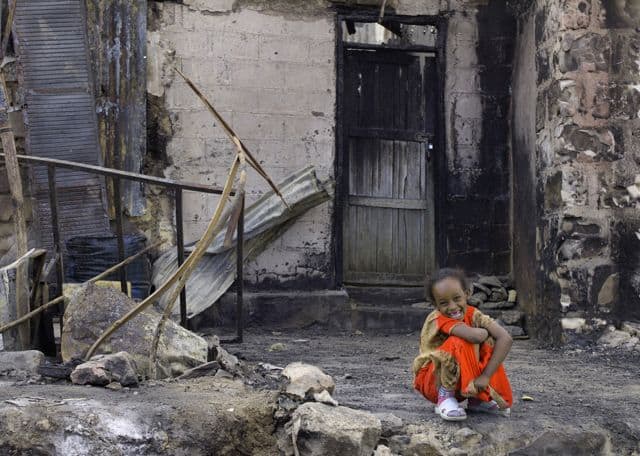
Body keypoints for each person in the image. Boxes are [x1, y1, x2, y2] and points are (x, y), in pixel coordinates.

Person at [412, 268, 513, 421]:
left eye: (457, 298)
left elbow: (505, 338)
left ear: (467, 294)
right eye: (444, 303)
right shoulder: (438, 318)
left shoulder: (473, 313)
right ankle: (444, 398)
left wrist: (486, 377)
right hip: (433, 381)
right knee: (459, 341)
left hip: (464, 385)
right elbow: (473, 336)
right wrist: (486, 332)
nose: (452, 307)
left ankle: (477, 399)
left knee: (492, 344)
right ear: (435, 305)